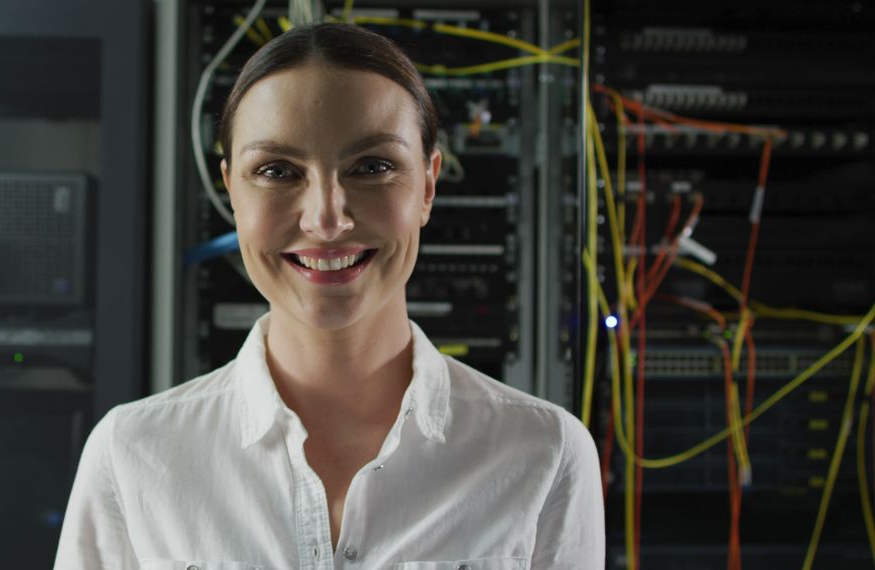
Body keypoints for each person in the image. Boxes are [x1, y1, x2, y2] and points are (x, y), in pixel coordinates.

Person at [54, 22, 604, 570]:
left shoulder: (545, 453)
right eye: (276, 171)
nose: (327, 219)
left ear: (428, 186)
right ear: (232, 191)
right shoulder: (131, 455)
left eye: (372, 167)